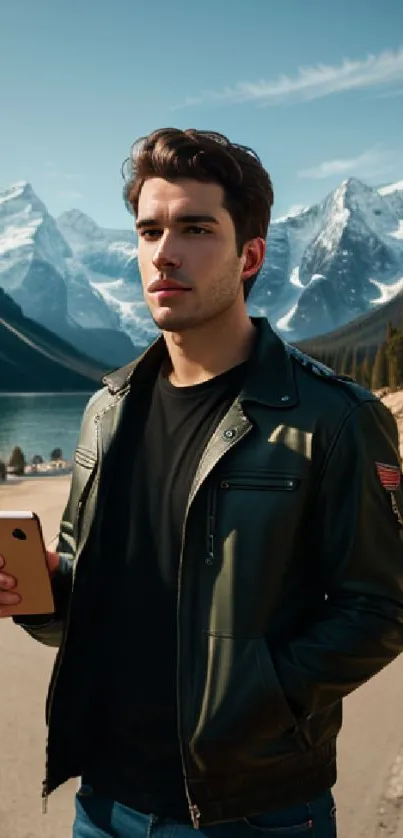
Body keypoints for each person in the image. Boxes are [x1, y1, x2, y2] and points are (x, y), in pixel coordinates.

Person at [1, 128, 403, 838]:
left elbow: (380, 607)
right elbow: (87, 598)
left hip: (253, 807)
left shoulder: (333, 418)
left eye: (195, 228)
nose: (165, 252)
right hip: (101, 800)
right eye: (150, 230)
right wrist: (36, 586)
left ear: (248, 255)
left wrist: (259, 697)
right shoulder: (105, 412)